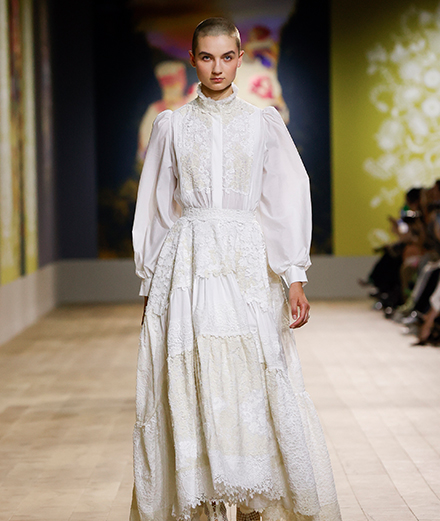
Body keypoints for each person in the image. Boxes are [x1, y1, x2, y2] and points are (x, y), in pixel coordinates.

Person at [131, 17, 342, 521]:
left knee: (254, 372)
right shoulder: (171, 126)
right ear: (192, 59)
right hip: (188, 262)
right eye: (207, 57)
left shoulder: (263, 123)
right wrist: (150, 286)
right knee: (194, 373)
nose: (217, 67)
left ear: (241, 58)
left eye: (227, 57)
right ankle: (203, 498)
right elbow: (154, 207)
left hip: (248, 261)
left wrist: (294, 274)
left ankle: (253, 498)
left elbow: (286, 196)